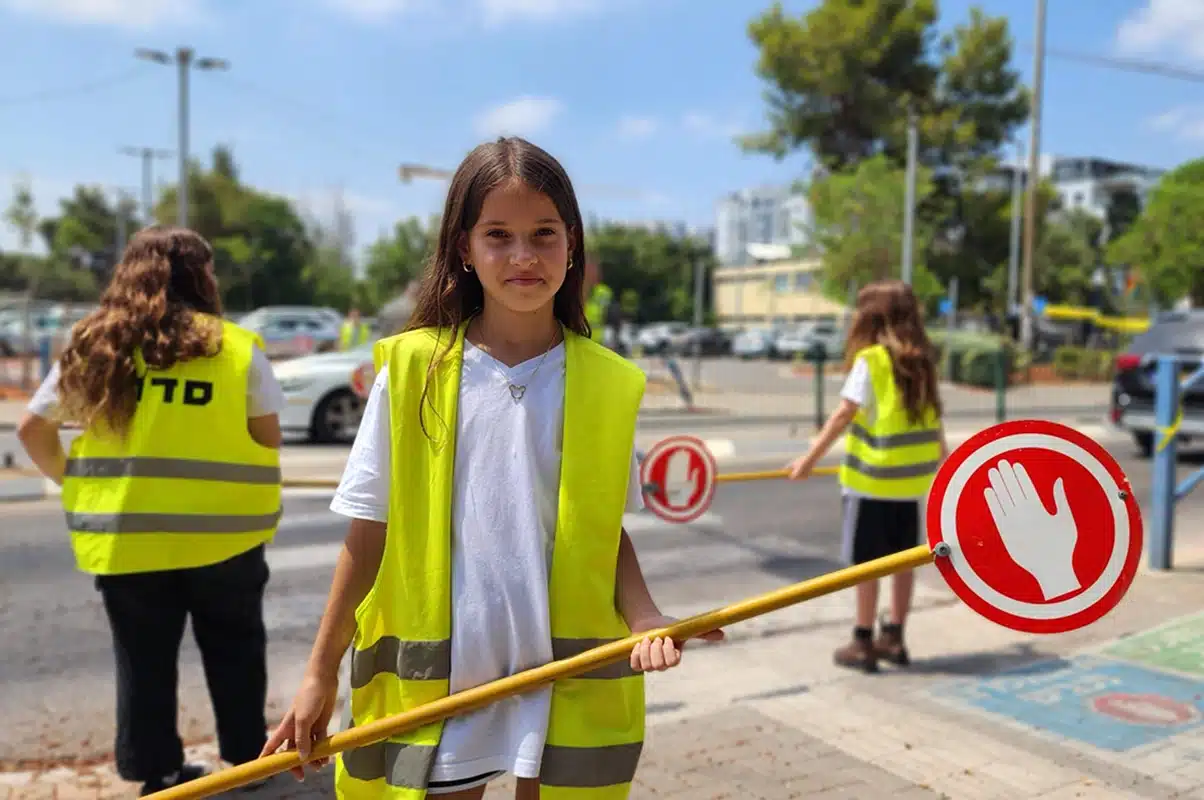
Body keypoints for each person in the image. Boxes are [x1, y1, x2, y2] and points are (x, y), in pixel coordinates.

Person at [261, 136, 724, 800]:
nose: (524, 256)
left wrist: (646, 616)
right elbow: (367, 536)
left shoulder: (605, 382)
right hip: (449, 679)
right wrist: (318, 673)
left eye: (543, 234)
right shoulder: (414, 372)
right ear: (465, 250)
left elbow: (601, 535)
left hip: (565, 676)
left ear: (572, 244)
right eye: (498, 235)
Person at [16, 225, 285, 796]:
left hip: (127, 540)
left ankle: (157, 773)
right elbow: (267, 437)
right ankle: (246, 762)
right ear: (201, 276)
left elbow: (31, 429)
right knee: (237, 653)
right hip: (225, 539)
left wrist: (74, 479)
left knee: (143, 663)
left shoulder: (97, 345)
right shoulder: (235, 348)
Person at [785, 280, 948, 674]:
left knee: (866, 565)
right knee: (902, 563)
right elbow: (935, 417)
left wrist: (808, 458)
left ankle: (862, 641)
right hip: (910, 486)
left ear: (870, 318)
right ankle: (894, 636)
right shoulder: (921, 361)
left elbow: (843, 414)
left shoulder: (871, 360)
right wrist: (947, 461)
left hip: (870, 484)